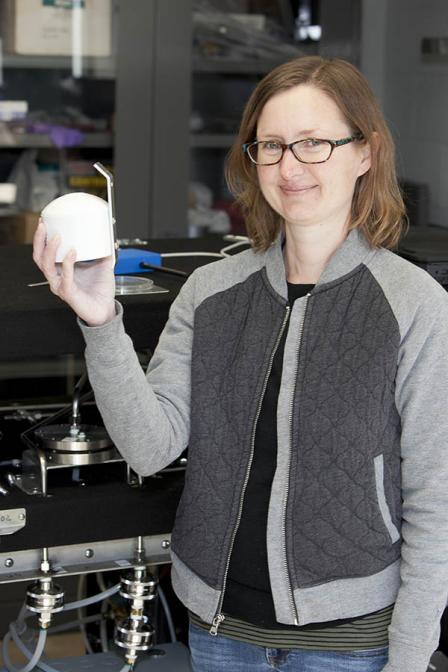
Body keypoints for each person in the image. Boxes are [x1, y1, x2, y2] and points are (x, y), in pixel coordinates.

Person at [33, 56, 448, 672]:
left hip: (350, 643)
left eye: (315, 143)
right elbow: (151, 450)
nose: (291, 166)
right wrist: (101, 323)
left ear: (365, 152)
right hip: (221, 631)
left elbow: (434, 501)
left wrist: (410, 659)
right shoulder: (211, 291)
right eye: (272, 146)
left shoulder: (416, 305)